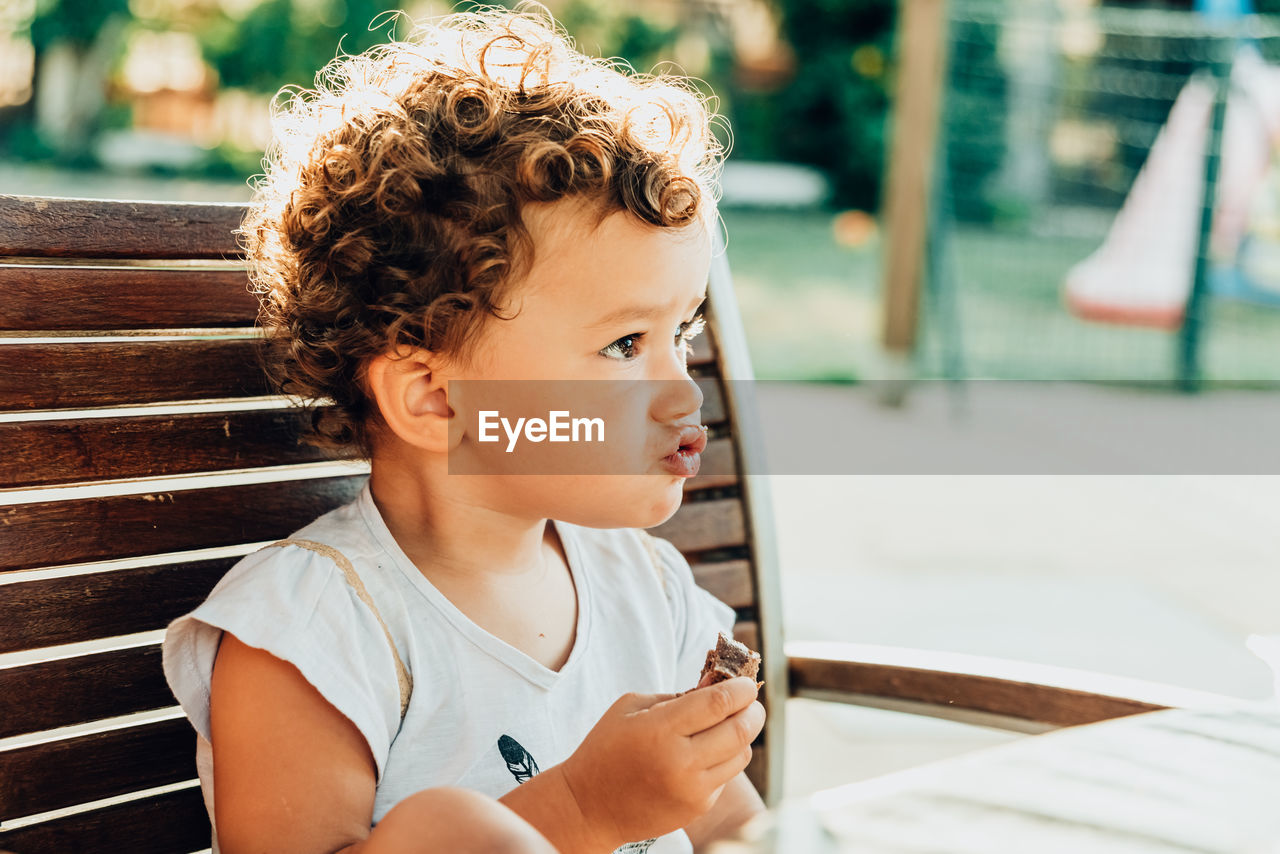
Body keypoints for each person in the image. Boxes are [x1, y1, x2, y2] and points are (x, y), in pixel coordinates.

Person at [162, 5, 766, 853]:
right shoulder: (316, 635)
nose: (683, 389)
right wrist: (583, 812)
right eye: (625, 343)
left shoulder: (647, 590)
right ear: (436, 401)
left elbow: (735, 826)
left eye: (685, 334)